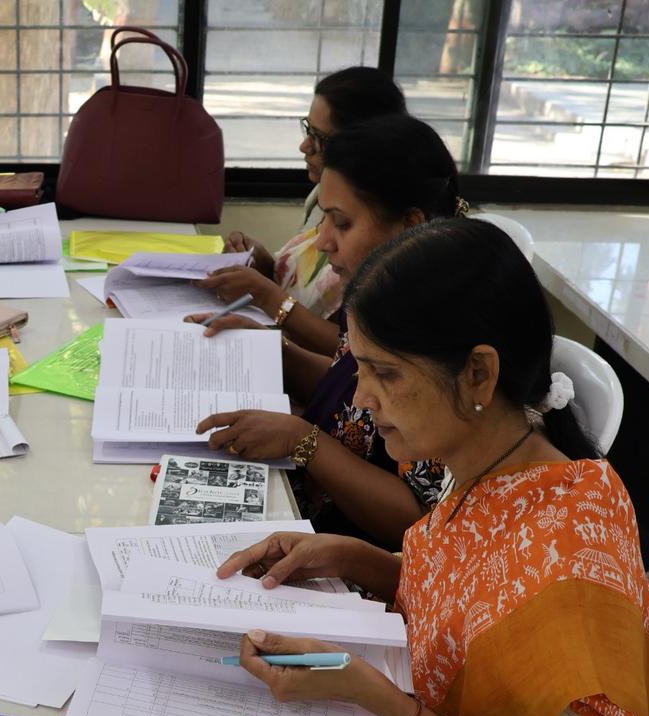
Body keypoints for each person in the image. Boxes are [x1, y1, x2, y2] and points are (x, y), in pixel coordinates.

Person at [215, 218, 649, 716]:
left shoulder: (564, 566)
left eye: (384, 374)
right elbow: (466, 601)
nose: (362, 400)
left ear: (479, 375)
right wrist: (359, 559)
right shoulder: (493, 466)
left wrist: (395, 709)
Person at [194, 114, 462, 546]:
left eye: (342, 222)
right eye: (323, 219)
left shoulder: (444, 334)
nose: (322, 241)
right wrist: (276, 353)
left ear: (411, 225)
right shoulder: (380, 293)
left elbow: (416, 522)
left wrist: (305, 442)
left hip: (352, 559)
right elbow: (352, 398)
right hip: (300, 516)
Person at [206, 66, 406, 354]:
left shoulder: (386, 233)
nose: (304, 146)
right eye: (306, 129)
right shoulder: (323, 194)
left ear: (361, 145)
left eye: (319, 138)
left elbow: (351, 351)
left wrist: (267, 295)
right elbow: (305, 285)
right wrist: (265, 267)